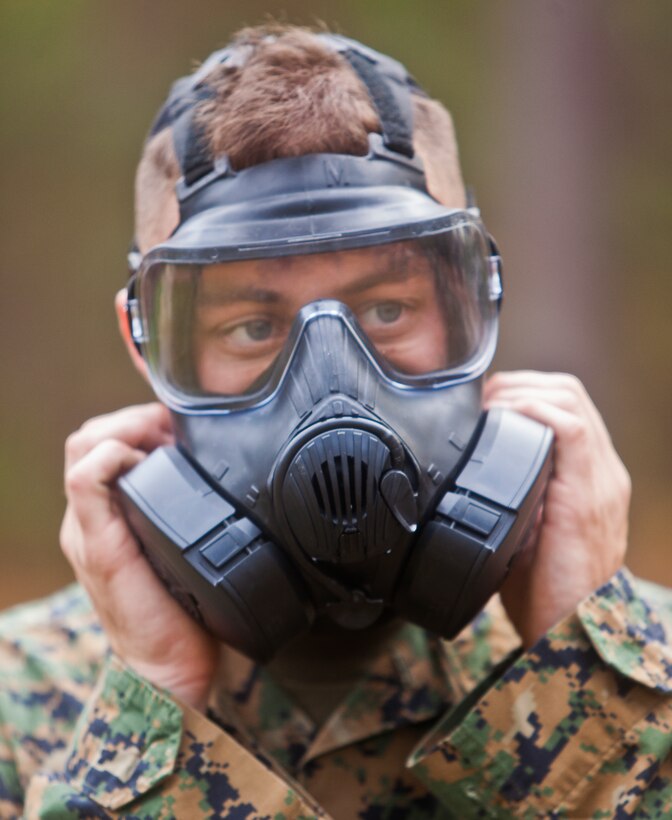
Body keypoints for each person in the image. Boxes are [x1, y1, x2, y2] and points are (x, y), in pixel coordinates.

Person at [1, 24, 671, 819]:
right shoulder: (24, 702)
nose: (331, 384)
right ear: (145, 347)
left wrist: (582, 667)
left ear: (475, 303)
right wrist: (153, 708)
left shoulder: (649, 671)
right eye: (253, 327)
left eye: (388, 309)